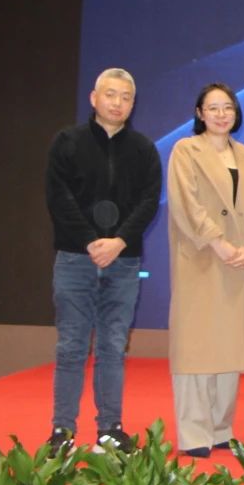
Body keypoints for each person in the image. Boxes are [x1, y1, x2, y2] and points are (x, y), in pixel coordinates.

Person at [44, 68, 162, 453]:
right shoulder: (67, 142)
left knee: (112, 346)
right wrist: (91, 241)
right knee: (71, 346)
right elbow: (58, 197)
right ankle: (62, 431)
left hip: (124, 262)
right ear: (94, 99)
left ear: (133, 103)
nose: (117, 103)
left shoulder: (143, 149)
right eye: (110, 95)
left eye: (125, 97)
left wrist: (120, 241)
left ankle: (110, 428)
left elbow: (149, 201)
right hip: (74, 258)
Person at [166, 83, 244, 457]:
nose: (221, 114)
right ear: (199, 113)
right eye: (213, 107)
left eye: (227, 107)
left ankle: (221, 427)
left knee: (228, 348)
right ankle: (195, 432)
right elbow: (186, 205)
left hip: (236, 261)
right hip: (200, 257)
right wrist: (218, 242)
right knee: (195, 348)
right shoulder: (185, 151)